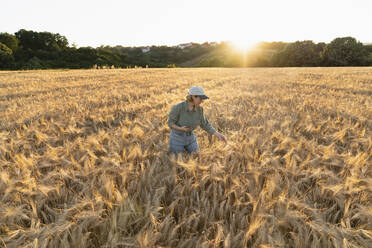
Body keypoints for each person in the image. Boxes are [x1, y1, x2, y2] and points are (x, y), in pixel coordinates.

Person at [167, 86, 227, 154]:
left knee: (197, 156)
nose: (202, 101)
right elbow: (170, 123)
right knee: (177, 160)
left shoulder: (200, 110)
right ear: (193, 97)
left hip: (191, 137)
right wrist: (181, 129)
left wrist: (218, 134)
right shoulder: (178, 107)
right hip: (177, 138)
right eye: (200, 98)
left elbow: (205, 124)